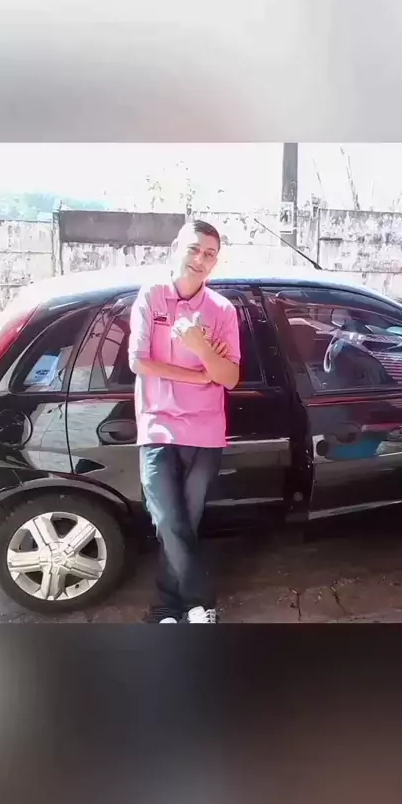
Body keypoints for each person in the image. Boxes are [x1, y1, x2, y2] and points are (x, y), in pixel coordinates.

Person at [128, 220, 240, 623]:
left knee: (185, 524)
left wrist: (201, 347)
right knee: (167, 520)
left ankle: (166, 609)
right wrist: (199, 375)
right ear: (176, 248)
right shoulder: (152, 295)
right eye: (194, 249)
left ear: (215, 261)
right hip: (157, 425)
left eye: (209, 254)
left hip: (205, 431)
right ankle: (201, 603)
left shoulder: (222, 310)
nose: (200, 259)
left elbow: (229, 377)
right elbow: (138, 361)